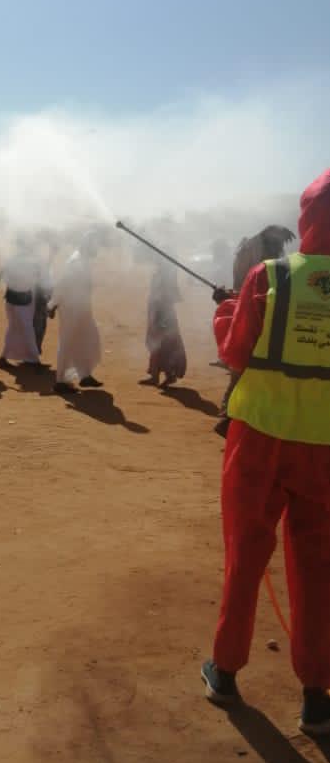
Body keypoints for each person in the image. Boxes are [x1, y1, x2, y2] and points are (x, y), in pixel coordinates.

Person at [202, 170, 330, 734]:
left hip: (258, 441)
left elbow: (235, 353)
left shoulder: (268, 276)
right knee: (319, 570)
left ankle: (226, 672)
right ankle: (317, 696)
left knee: (245, 557)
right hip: (325, 449)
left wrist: (226, 310)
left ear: (308, 215)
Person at [216, 224, 296, 433]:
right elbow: (246, 303)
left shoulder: (280, 270)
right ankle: (231, 418)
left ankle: (232, 418)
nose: (279, 249)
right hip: (258, 341)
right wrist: (229, 298)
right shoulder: (258, 265)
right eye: (275, 244)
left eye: (279, 245)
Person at [47, 232, 102, 394]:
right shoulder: (75, 262)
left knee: (88, 339)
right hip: (71, 308)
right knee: (67, 343)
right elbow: (62, 285)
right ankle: (60, 381)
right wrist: (52, 304)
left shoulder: (83, 260)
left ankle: (85, 375)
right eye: (94, 246)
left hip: (82, 307)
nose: (97, 249)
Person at [0, 237, 41, 367]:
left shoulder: (11, 260)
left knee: (13, 328)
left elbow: (4, 277)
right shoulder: (31, 261)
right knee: (27, 329)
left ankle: (3, 357)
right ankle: (34, 359)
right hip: (23, 299)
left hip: (11, 298)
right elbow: (37, 278)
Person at [145, 258, 187, 387]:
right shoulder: (159, 273)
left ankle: (170, 375)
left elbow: (168, 297)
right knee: (156, 344)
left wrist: (161, 316)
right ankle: (154, 375)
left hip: (164, 314)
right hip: (157, 312)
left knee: (166, 345)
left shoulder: (168, 275)